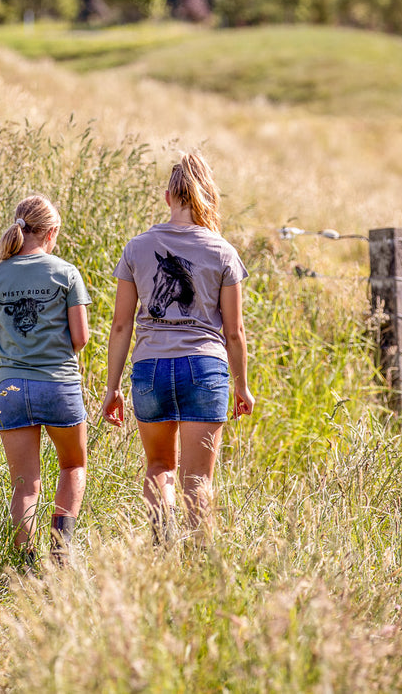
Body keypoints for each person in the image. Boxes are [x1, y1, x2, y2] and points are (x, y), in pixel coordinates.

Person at [101, 152, 254, 540]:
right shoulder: (222, 252)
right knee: (198, 477)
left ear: (168, 196)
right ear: (207, 195)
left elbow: (121, 326)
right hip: (204, 369)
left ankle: (163, 548)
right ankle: (199, 563)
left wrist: (112, 387)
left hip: (150, 368)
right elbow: (234, 331)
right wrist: (241, 386)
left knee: (158, 468)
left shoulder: (137, 248)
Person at [0, 195, 91, 564]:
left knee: (25, 483)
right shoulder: (66, 273)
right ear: (51, 233)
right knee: (72, 466)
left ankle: (24, 563)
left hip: (11, 387)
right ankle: (61, 551)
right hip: (59, 384)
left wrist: (11, 346)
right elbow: (81, 338)